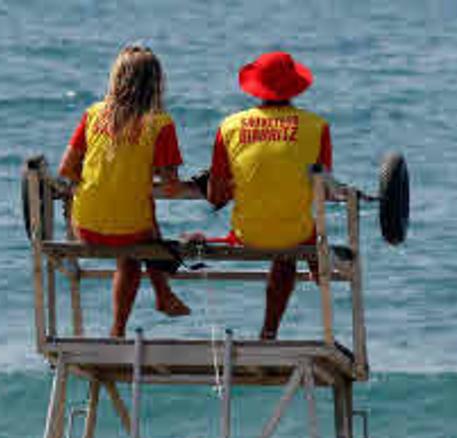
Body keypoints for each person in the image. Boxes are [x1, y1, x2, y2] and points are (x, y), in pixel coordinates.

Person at [58, 44, 189, 337]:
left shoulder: (93, 114)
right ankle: (135, 315)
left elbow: (66, 169)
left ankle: (152, 304)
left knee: (139, 224)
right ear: (155, 83)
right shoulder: (160, 124)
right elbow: (170, 188)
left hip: (85, 225)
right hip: (131, 230)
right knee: (137, 239)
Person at [207, 50, 331, 340]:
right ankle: (270, 329)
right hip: (295, 232)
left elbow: (215, 196)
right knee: (292, 236)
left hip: (246, 232)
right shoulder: (317, 127)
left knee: (282, 227)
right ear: (295, 87)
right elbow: (321, 189)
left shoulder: (229, 126)